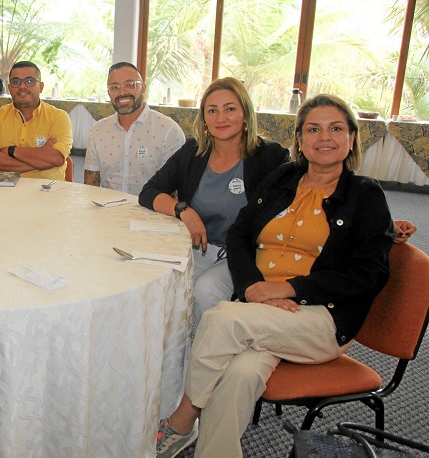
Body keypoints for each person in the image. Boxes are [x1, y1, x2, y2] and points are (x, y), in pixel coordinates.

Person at [153, 94, 395, 458]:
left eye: (335, 128)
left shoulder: (365, 195)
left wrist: (290, 288)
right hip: (264, 310)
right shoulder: (285, 178)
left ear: (351, 139)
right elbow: (239, 234)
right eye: (313, 129)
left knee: (221, 318)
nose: (324, 137)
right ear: (300, 140)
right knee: (240, 375)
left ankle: (183, 417)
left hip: (320, 318)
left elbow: (369, 273)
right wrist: (253, 288)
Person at [138, 77, 290, 325]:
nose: (221, 118)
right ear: (204, 119)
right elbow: (150, 192)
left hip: (245, 256)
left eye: (230, 109)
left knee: (205, 290)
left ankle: (207, 357)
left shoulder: (270, 158)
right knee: (159, 282)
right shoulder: (193, 152)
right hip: (199, 248)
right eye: (212, 110)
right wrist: (182, 210)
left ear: (245, 115)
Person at [86, 62, 185, 195]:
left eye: (130, 85)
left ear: (143, 88)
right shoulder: (98, 131)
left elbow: (173, 190)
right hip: (106, 212)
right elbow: (91, 186)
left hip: (151, 212)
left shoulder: (168, 130)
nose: (122, 92)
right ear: (109, 93)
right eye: (114, 87)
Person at [0, 61, 73, 181]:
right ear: (9, 88)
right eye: (16, 82)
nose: (22, 86)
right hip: (3, 190)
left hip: (46, 191)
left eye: (29, 81)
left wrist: (11, 150)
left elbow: (56, 158)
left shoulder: (58, 117)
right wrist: (40, 161)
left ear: (41, 86)